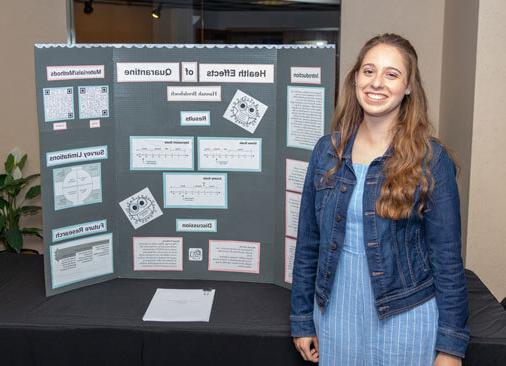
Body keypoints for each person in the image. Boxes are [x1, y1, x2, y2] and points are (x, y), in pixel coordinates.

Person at [290, 33, 470, 366]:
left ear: (408, 87)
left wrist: (450, 348)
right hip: (335, 315)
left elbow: (446, 260)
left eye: (392, 74)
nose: (377, 83)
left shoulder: (432, 159)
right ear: (355, 78)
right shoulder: (325, 152)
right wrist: (302, 318)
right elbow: (308, 244)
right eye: (369, 71)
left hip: (406, 316)